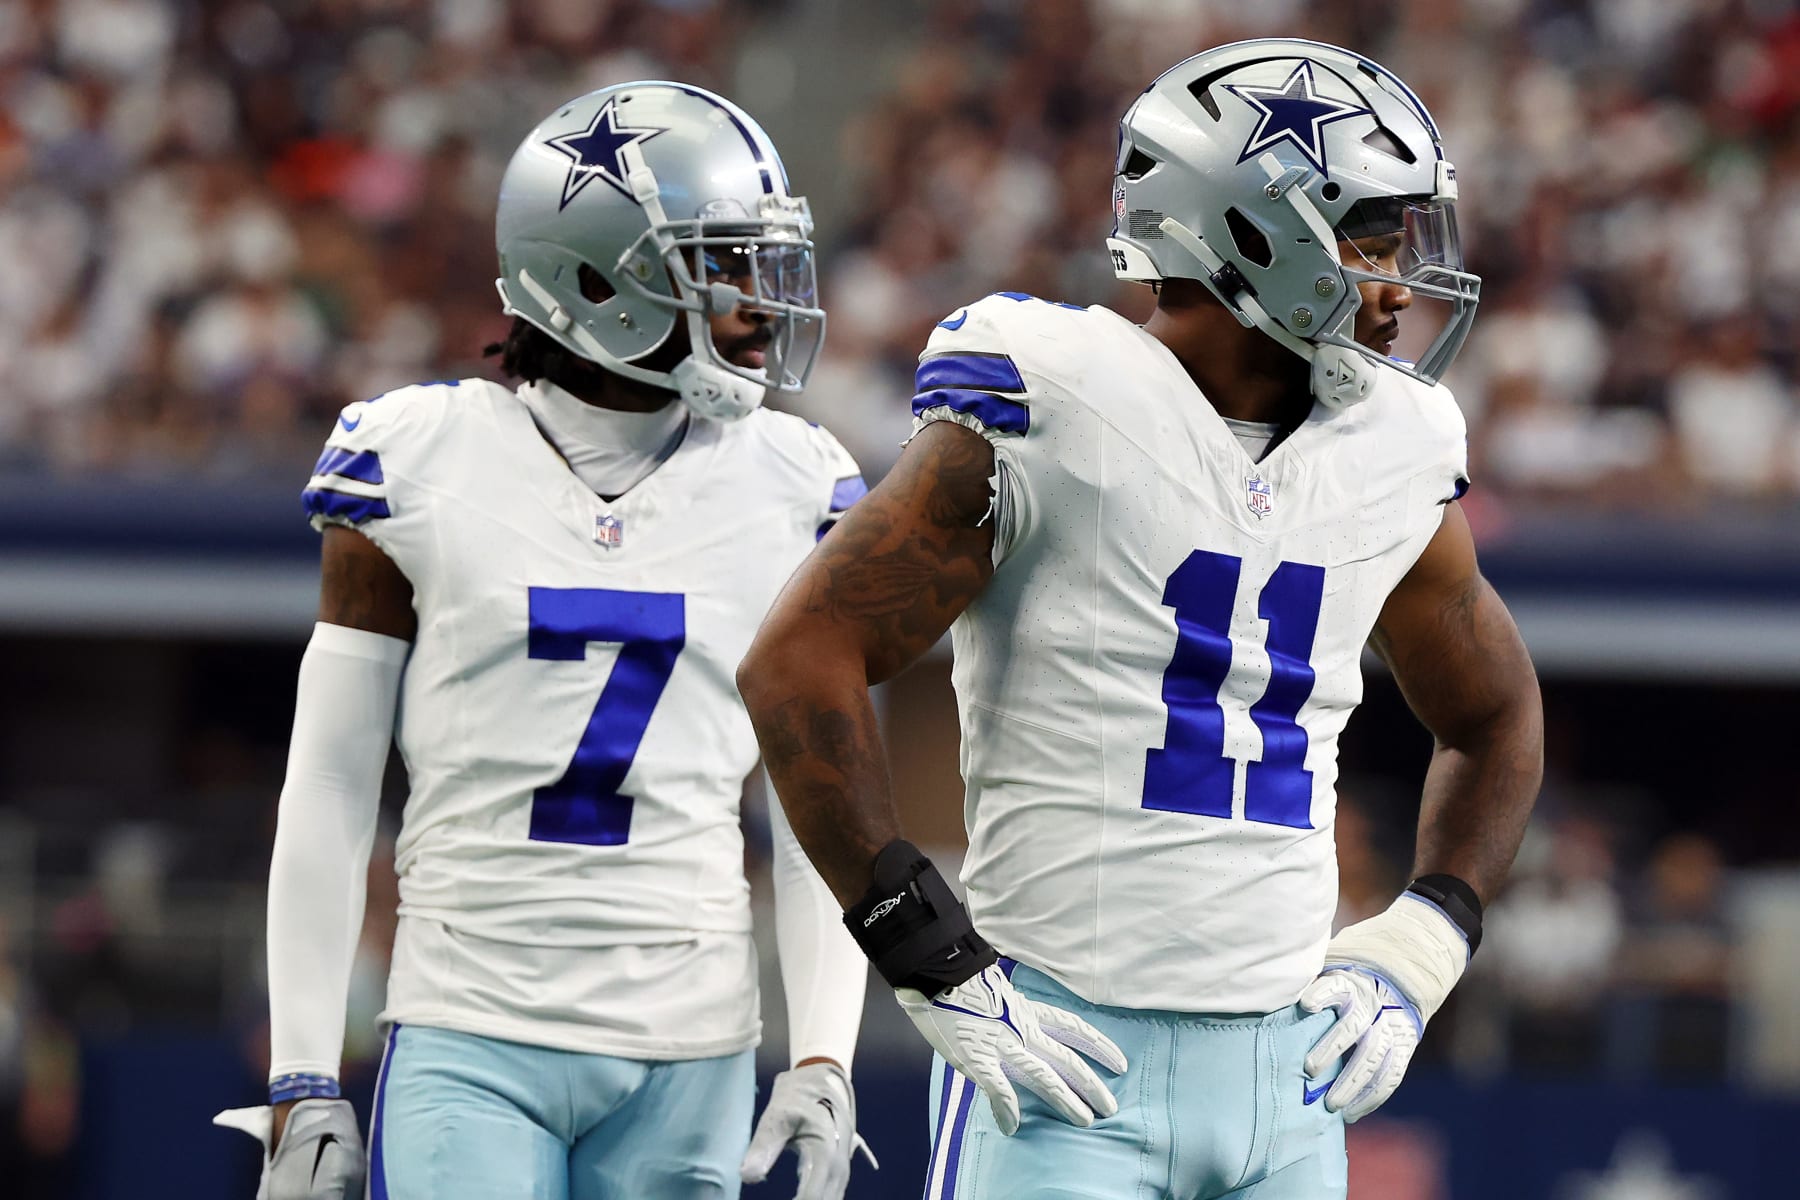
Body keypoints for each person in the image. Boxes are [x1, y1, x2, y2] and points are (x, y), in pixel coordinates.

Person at [737, 39, 1543, 1199]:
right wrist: (928, 956)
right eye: (1370, 234)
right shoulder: (1057, 397)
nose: (1399, 281)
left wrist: (1429, 933)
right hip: (1064, 1064)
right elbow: (798, 662)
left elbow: (1496, 711)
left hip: (1290, 1074)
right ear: (1252, 232)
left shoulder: (1396, 446)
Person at [214, 81, 874, 1200]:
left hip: (696, 1042)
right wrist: (302, 1074)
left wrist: (824, 1052)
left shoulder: (793, 481)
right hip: (473, 1033)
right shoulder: (418, 459)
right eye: (722, 267)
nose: (760, 306)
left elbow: (818, 800)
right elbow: (327, 782)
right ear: (597, 281)